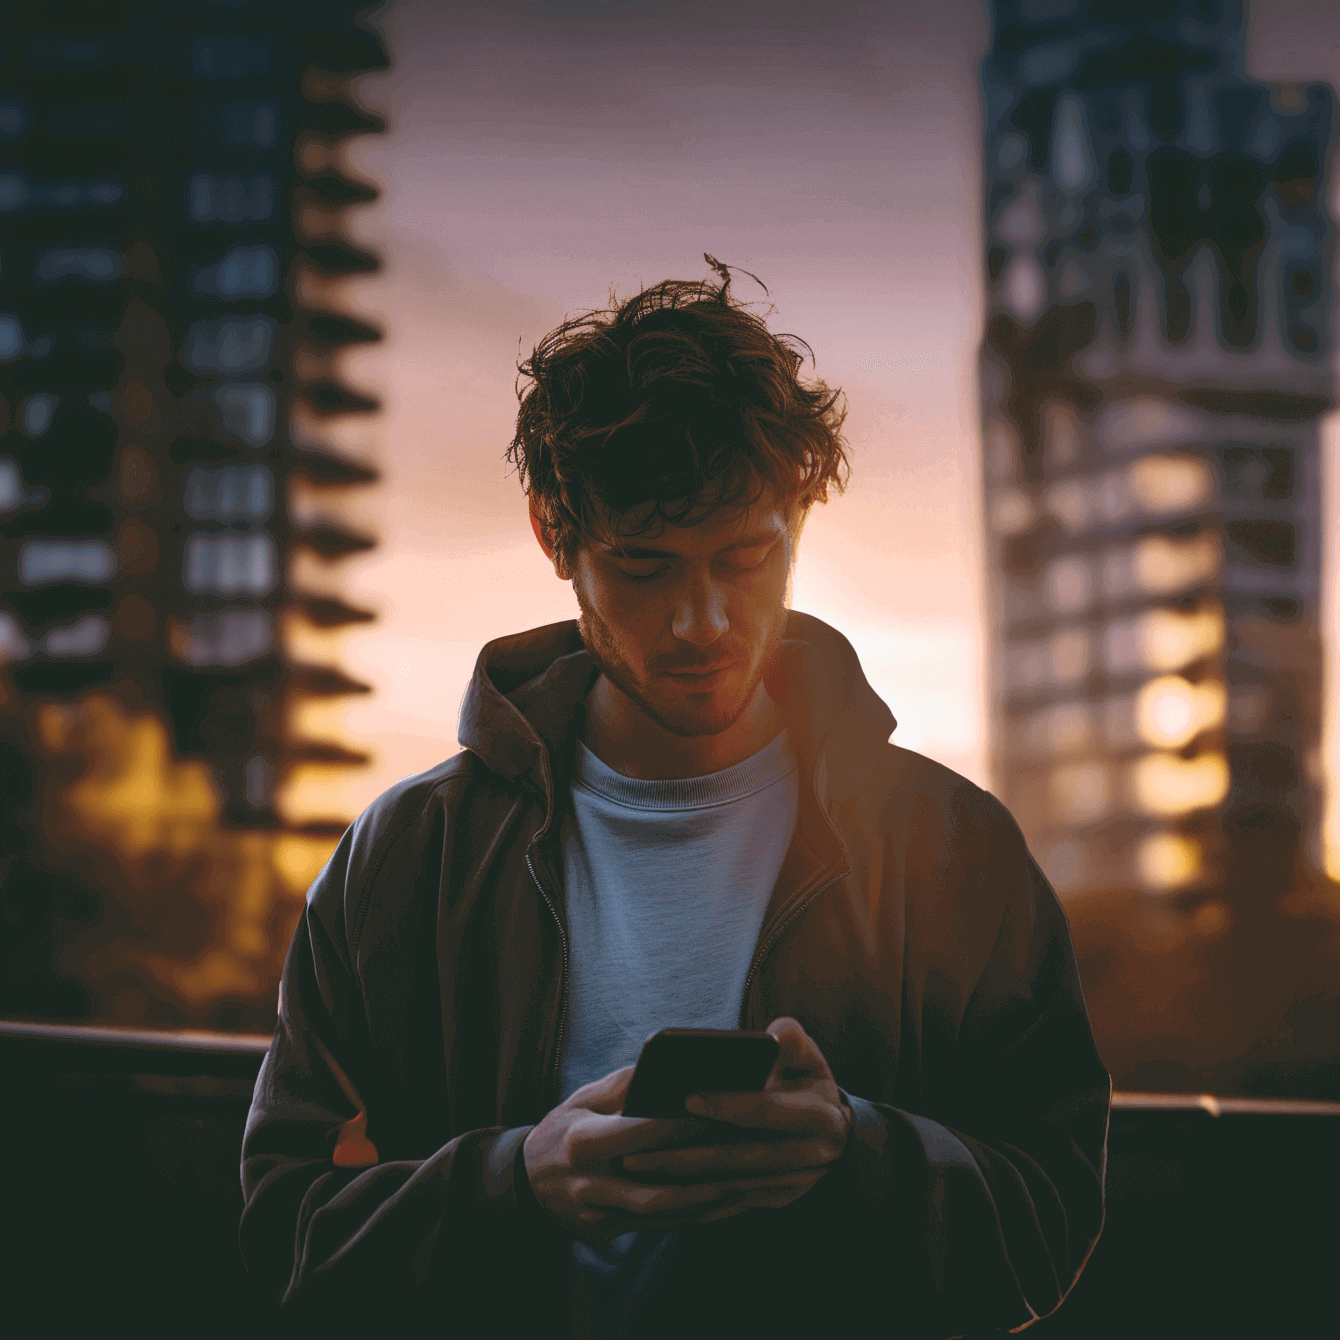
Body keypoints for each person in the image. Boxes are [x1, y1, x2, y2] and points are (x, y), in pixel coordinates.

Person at [240, 267, 1111, 1339]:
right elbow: (287, 1230)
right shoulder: (406, 857)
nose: (702, 621)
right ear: (552, 536)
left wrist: (852, 1150)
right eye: (643, 567)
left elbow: (1048, 1218)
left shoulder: (949, 848)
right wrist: (517, 1182)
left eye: (745, 557)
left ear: (799, 517)